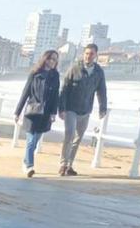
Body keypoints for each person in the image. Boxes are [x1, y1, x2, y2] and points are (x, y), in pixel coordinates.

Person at [58, 43, 108, 176]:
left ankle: (69, 165)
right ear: (83, 54)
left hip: (86, 110)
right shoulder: (74, 68)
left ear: (96, 55)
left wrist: (103, 108)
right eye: (86, 53)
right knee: (69, 134)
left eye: (91, 54)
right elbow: (64, 89)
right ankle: (63, 164)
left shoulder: (99, 72)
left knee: (78, 138)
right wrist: (61, 108)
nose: (88, 56)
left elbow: (101, 90)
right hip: (71, 109)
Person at [14, 50, 60, 178]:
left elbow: (56, 95)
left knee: (35, 141)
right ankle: (29, 166)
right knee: (31, 140)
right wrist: (17, 112)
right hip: (32, 112)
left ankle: (25, 162)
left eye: (55, 60)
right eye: (50, 58)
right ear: (45, 59)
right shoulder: (35, 74)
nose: (52, 61)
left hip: (45, 114)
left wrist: (53, 113)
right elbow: (25, 92)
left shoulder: (55, 76)